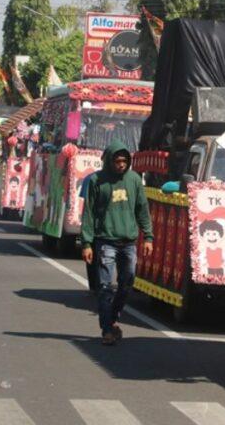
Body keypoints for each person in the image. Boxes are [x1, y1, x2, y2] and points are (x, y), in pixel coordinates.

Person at [80, 141, 153, 346]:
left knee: (127, 282)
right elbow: (88, 214)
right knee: (104, 286)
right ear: (109, 160)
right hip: (105, 242)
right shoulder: (96, 180)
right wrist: (86, 243)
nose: (121, 164)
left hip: (129, 242)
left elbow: (142, 209)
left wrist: (148, 236)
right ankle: (106, 330)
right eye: (117, 160)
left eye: (124, 161)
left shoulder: (135, 180)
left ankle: (111, 319)